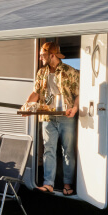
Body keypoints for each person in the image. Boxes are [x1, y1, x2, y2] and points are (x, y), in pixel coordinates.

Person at [24, 41, 79, 196]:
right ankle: (48, 184)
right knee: (49, 150)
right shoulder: (42, 72)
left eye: (42, 55)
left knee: (68, 151)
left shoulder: (70, 71)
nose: (40, 58)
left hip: (66, 117)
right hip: (47, 116)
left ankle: (67, 184)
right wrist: (26, 107)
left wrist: (74, 109)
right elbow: (35, 93)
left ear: (52, 55)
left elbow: (79, 94)